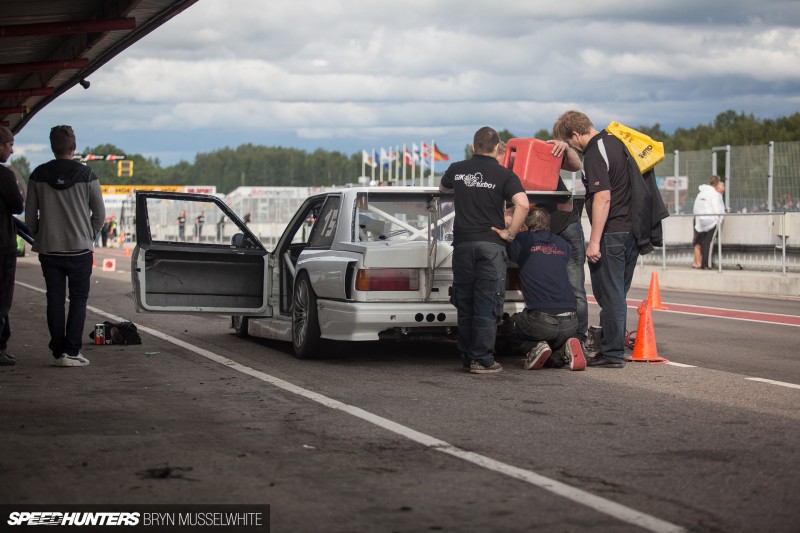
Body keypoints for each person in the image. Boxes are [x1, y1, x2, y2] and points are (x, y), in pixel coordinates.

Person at [439, 126, 530, 374]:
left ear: (473, 146)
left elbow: (443, 188)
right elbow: (522, 203)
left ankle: (468, 356)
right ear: (497, 148)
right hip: (491, 245)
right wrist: (510, 233)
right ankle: (482, 359)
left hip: (463, 244)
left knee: (465, 302)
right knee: (487, 303)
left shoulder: (457, 169)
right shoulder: (504, 175)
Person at [553, 110, 637, 368]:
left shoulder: (594, 151)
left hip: (612, 232)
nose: (573, 148)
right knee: (617, 294)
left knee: (609, 294)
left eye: (571, 142)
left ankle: (612, 353)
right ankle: (612, 346)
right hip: (632, 230)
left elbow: (602, 196)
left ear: (576, 134)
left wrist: (595, 241)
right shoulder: (617, 142)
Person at [25, 125, 105, 367]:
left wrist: (42, 235)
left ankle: (59, 350)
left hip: (49, 249)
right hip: (79, 249)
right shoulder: (87, 175)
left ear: (52, 147)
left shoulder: (38, 175)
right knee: (79, 299)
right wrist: (88, 234)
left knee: (54, 300)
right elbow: (99, 214)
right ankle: (72, 351)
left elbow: (30, 217)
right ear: (74, 146)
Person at [506, 208, 586, 371]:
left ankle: (534, 346)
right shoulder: (562, 243)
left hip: (540, 321)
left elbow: (507, 252)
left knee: (508, 327)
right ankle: (563, 350)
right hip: (570, 322)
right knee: (553, 352)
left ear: (526, 223)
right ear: (549, 224)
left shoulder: (522, 241)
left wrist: (508, 222)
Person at [0, 126, 25, 366]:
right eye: (9, 145)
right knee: (2, 299)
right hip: (2, 246)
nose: (12, 149)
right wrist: (15, 176)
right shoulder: (4, 175)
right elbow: (18, 206)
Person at [692, 175, 726, 269]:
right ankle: (707, 264)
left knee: (701, 242)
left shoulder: (700, 194)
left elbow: (695, 208)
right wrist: (718, 220)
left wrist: (699, 220)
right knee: (709, 243)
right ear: (717, 183)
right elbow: (717, 208)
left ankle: (702, 263)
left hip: (700, 221)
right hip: (712, 221)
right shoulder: (715, 194)